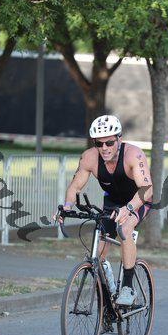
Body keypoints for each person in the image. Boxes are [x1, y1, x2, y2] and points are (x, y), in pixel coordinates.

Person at [57, 115, 153, 306]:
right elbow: (75, 187)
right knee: (97, 254)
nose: (104, 148)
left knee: (124, 230)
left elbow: (147, 189)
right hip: (112, 203)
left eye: (109, 142)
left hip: (138, 200)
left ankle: (127, 287)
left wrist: (128, 208)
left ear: (119, 139)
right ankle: (108, 304)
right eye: (99, 144)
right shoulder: (89, 157)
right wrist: (66, 207)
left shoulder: (133, 155)